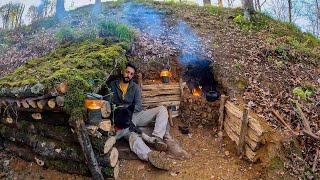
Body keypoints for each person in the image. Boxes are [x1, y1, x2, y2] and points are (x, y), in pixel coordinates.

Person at [108, 62, 172, 170]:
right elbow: (109, 104)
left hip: (137, 114)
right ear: (123, 72)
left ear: (133, 76)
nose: (129, 75)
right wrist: (123, 110)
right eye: (127, 72)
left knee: (162, 109)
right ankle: (150, 155)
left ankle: (157, 138)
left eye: (131, 74)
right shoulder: (112, 85)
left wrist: (126, 108)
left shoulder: (135, 87)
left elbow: (138, 105)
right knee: (133, 137)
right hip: (123, 119)